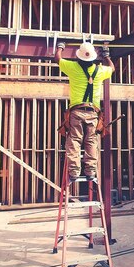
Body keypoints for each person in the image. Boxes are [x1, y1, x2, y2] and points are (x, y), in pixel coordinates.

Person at [55, 42, 115, 182]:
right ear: (93, 57)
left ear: (79, 56)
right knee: (91, 141)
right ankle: (91, 172)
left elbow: (57, 58)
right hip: (93, 113)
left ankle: (74, 173)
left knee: (75, 141)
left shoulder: (72, 67)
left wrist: (60, 47)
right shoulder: (100, 71)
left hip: (76, 112)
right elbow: (112, 68)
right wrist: (106, 56)